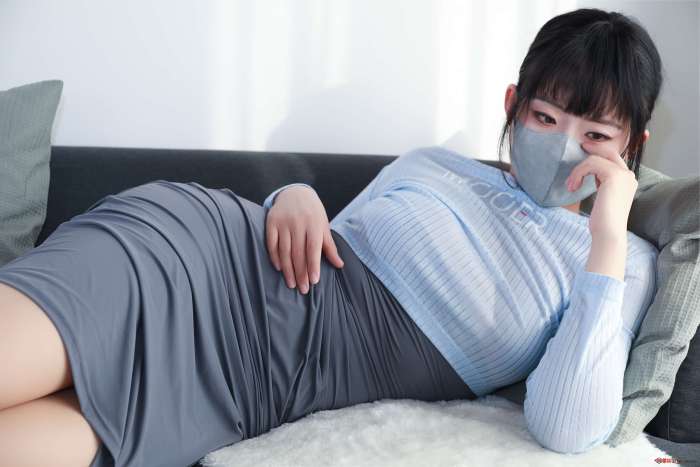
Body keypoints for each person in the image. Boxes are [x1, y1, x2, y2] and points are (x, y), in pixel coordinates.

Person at [0, 7, 662, 467]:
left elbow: (567, 427)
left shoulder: (623, 264)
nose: (563, 145)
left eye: (595, 135)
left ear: (632, 145)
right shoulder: (434, 165)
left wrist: (603, 239)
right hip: (196, 256)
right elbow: (329, 238)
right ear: (513, 105)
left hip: (255, 389)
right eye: (544, 116)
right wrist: (293, 195)